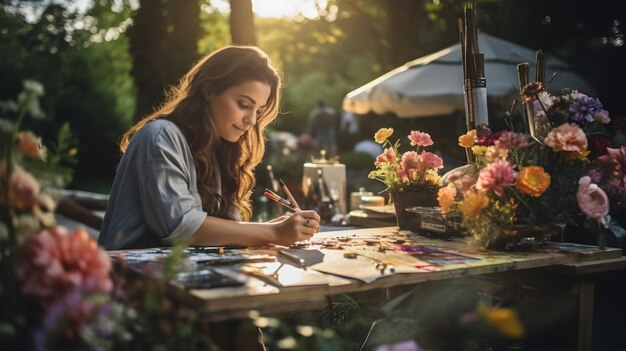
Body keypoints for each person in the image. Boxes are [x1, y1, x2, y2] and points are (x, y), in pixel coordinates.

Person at [98, 46, 320, 250]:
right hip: (133, 285)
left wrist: (271, 229)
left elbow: (223, 233)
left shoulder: (222, 150)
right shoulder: (160, 136)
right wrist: (272, 232)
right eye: (244, 104)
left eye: (259, 111)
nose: (252, 120)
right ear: (209, 90)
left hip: (182, 282)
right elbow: (180, 227)